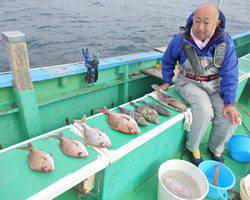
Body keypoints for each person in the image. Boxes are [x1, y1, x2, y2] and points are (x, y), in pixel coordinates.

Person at [161, 2, 241, 166]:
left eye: (206, 22)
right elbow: (168, 60)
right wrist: (166, 81)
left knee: (229, 117)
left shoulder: (225, 41)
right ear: (192, 19)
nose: (200, 27)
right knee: (204, 111)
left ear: (217, 23)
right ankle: (193, 147)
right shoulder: (180, 39)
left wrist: (230, 102)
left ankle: (215, 148)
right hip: (188, 82)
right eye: (197, 21)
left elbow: (230, 72)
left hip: (215, 84)